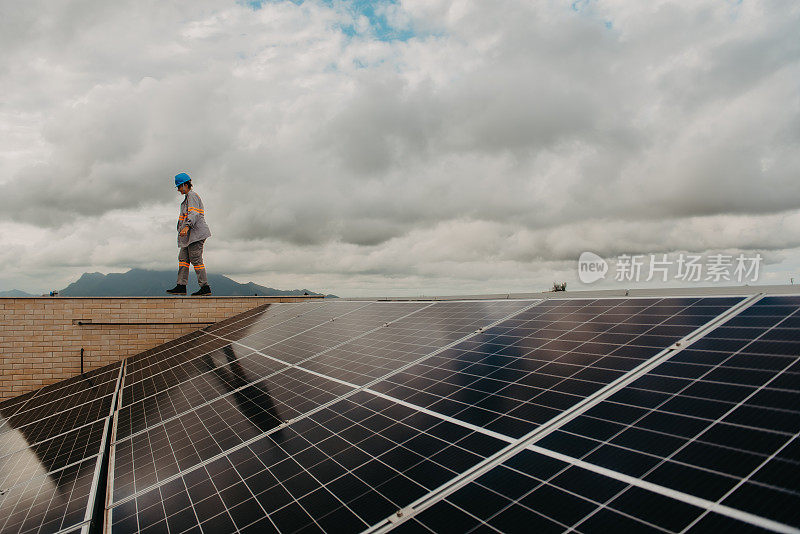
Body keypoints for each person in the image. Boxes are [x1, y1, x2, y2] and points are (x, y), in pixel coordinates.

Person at [166, 172, 212, 296]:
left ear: (185, 185)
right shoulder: (187, 199)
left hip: (196, 235)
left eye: (179, 187)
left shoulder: (192, 196)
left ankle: (205, 287)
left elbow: (194, 214)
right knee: (183, 259)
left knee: (196, 259)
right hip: (188, 237)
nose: (179, 190)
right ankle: (181, 285)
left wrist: (187, 226)